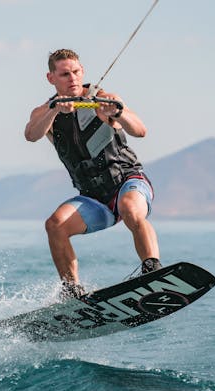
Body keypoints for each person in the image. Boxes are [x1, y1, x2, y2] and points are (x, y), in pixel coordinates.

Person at [24, 48, 161, 299]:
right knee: (54, 225)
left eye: (76, 72)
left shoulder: (103, 100)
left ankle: (152, 268)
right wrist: (55, 110)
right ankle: (73, 292)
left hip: (127, 183)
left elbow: (140, 131)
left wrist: (117, 112)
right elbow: (31, 134)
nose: (72, 78)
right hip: (95, 200)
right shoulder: (45, 113)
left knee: (131, 209)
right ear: (51, 78)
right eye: (65, 74)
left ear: (83, 71)